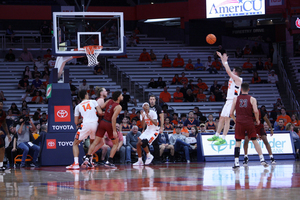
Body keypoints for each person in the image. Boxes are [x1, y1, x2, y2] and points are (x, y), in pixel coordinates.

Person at [229, 82, 268, 168]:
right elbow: (256, 111)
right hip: (249, 121)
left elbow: (231, 113)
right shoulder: (252, 99)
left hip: (239, 122)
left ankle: (236, 162)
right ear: (249, 89)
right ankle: (262, 159)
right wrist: (257, 120)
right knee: (254, 140)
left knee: (238, 142)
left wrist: (235, 120)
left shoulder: (236, 99)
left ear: (241, 89)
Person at [207, 52, 243, 145]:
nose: (232, 71)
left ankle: (223, 138)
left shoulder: (239, 79)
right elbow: (228, 70)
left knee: (227, 119)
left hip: (233, 101)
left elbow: (228, 71)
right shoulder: (233, 77)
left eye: (233, 70)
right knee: (222, 117)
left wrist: (225, 61)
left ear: (235, 72)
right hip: (228, 101)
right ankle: (217, 135)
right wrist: (222, 59)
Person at [83, 91, 123, 168]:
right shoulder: (118, 106)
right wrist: (114, 130)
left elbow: (101, 107)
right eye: (121, 96)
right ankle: (109, 161)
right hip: (109, 124)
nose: (122, 97)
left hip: (102, 122)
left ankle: (87, 156)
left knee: (96, 142)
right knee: (115, 143)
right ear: (118, 97)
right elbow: (113, 118)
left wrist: (106, 113)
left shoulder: (109, 100)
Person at [66, 90, 102, 169]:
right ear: (86, 95)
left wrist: (82, 119)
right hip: (95, 124)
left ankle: (76, 163)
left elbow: (76, 122)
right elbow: (100, 112)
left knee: (75, 143)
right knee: (92, 144)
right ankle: (90, 162)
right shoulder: (93, 101)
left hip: (86, 125)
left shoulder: (78, 106)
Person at [148, 95, 164, 164]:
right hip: (148, 128)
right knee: (147, 143)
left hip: (155, 127)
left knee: (155, 143)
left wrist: (161, 127)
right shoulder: (147, 107)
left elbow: (162, 117)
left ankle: (157, 159)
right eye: (151, 99)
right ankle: (148, 158)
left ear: (155, 100)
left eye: (153, 99)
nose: (152, 100)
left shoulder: (158, 107)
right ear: (149, 100)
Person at [0, 101, 11, 170]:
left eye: (1, 104)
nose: (1, 105)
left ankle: (0, 165)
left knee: (2, 148)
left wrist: (8, 134)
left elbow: (4, 124)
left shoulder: (3, 113)